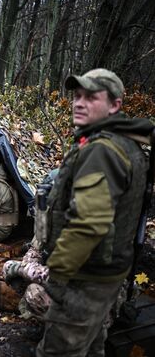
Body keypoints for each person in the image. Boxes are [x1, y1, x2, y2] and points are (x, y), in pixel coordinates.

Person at [34, 68, 154, 357]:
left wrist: (57, 278)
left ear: (115, 105)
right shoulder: (128, 143)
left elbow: (88, 224)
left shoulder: (102, 150)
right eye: (77, 96)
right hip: (106, 272)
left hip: (85, 276)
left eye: (90, 97)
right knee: (91, 347)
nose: (78, 103)